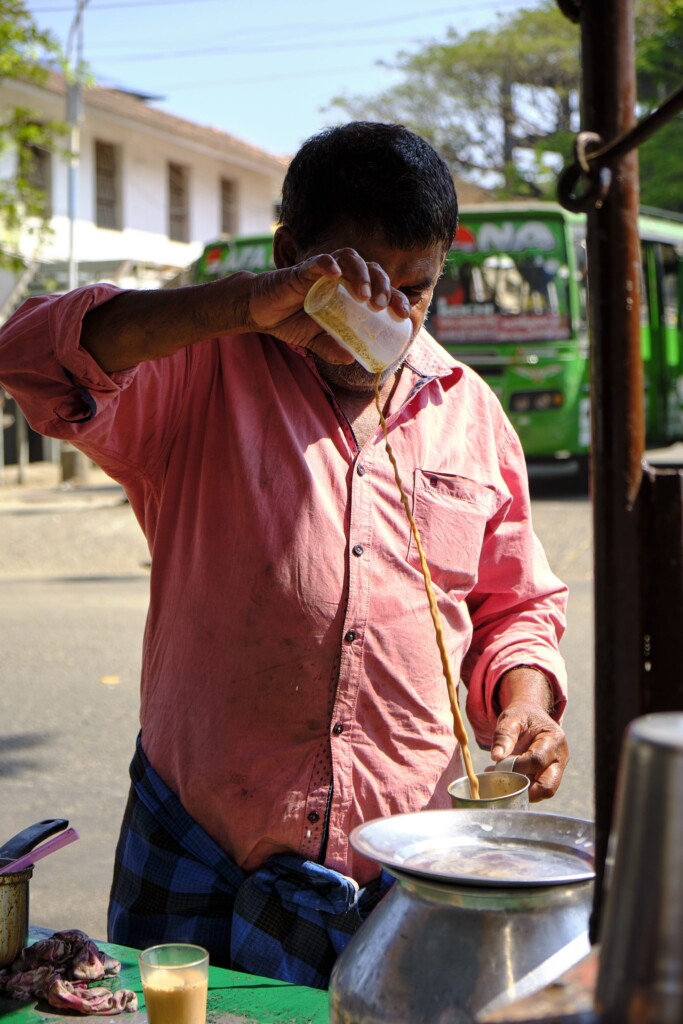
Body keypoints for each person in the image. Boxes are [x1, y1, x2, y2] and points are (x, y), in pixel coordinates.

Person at [0, 121, 569, 989]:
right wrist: (245, 303)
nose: (385, 322)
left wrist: (524, 702)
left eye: (412, 292)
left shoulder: (471, 413)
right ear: (289, 256)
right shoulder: (197, 369)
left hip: (406, 860)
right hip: (199, 847)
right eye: (356, 288)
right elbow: (29, 353)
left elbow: (513, 608)